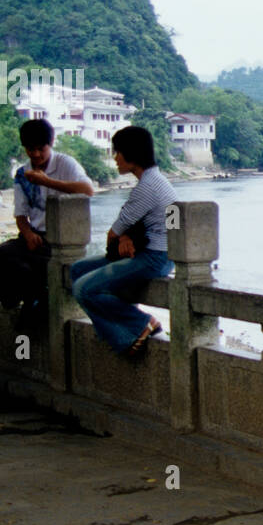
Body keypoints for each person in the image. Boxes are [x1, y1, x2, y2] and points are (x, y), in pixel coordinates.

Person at [0, 119, 94, 328]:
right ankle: (26, 297)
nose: (35, 154)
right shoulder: (22, 173)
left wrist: (46, 181)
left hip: (58, 243)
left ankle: (35, 299)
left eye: (40, 149)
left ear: (51, 143)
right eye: (30, 149)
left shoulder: (65, 163)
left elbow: (87, 190)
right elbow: (20, 214)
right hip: (33, 236)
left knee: (27, 317)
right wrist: (27, 234)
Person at [70, 126, 177, 357]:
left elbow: (113, 234)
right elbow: (166, 225)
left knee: (83, 289)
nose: (115, 158)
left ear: (133, 155)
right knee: (77, 270)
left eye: (118, 152)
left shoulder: (146, 188)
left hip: (154, 258)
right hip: (157, 253)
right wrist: (126, 236)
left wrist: (122, 237)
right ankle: (115, 331)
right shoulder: (160, 182)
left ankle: (140, 324)